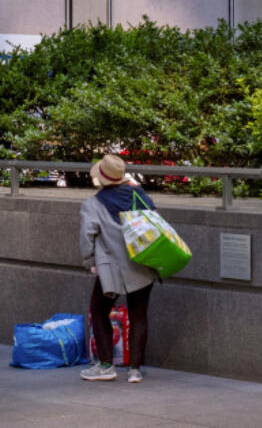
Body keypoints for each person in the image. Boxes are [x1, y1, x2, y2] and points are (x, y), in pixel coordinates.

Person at [79, 154, 158, 383]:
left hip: (109, 269)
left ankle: (106, 366)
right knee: (138, 315)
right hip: (142, 262)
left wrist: (89, 263)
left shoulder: (93, 204)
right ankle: (134, 370)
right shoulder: (140, 195)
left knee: (99, 311)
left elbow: (87, 237)